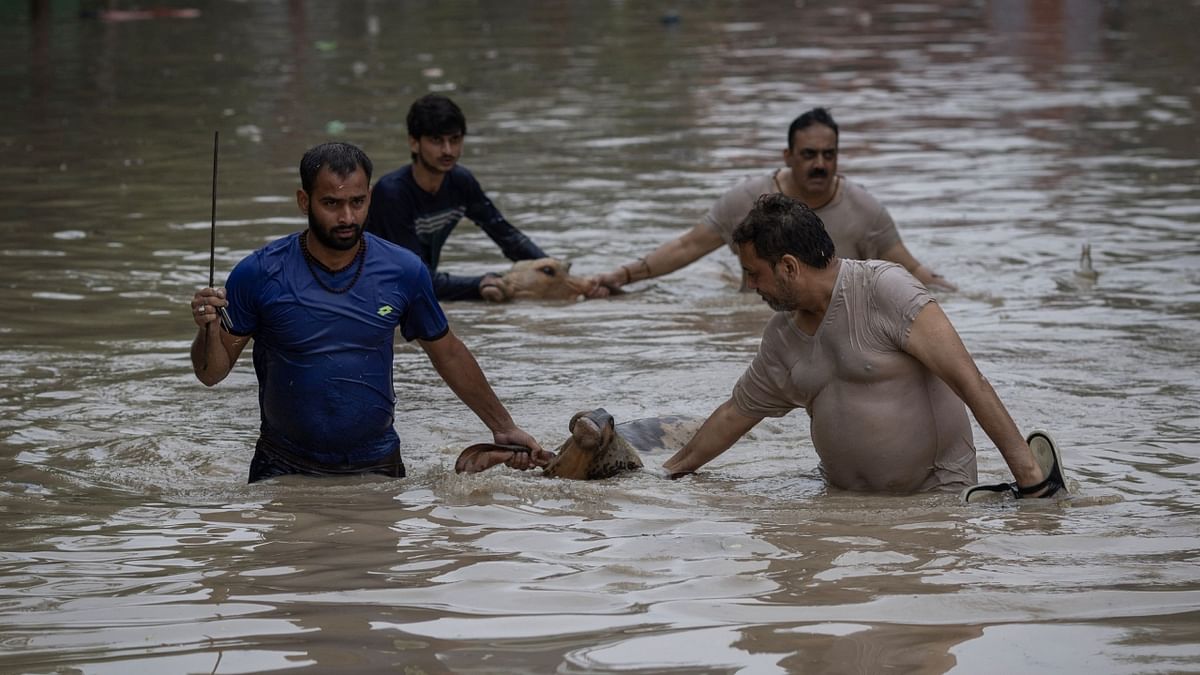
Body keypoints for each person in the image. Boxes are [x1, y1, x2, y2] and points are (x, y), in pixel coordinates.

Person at [189, 141, 551, 482]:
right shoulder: (259, 273)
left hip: (377, 464)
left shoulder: (403, 270)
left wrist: (502, 426)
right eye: (331, 204)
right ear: (304, 201)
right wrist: (206, 328)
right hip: (283, 467)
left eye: (358, 202)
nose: (347, 216)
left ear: (370, 198)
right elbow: (211, 373)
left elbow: (449, 353)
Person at [661, 193, 1059, 497]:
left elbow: (971, 382)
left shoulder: (886, 288)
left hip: (935, 501)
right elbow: (735, 413)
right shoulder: (781, 337)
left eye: (753, 274)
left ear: (788, 267)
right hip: (841, 502)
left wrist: (1030, 480)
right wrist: (664, 475)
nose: (748, 286)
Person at [589, 107, 955, 296]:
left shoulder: (865, 210)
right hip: (757, 313)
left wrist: (968, 301)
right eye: (809, 154)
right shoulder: (748, 200)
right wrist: (622, 276)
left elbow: (912, 270)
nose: (820, 164)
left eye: (829, 154)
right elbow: (688, 245)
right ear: (788, 155)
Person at [365, 94, 553, 302]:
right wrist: (481, 283)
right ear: (414, 143)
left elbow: (507, 237)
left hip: (417, 289)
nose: (448, 150)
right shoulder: (393, 194)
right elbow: (415, 278)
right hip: (376, 296)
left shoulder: (460, 182)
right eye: (437, 140)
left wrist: (556, 272)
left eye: (454, 140)